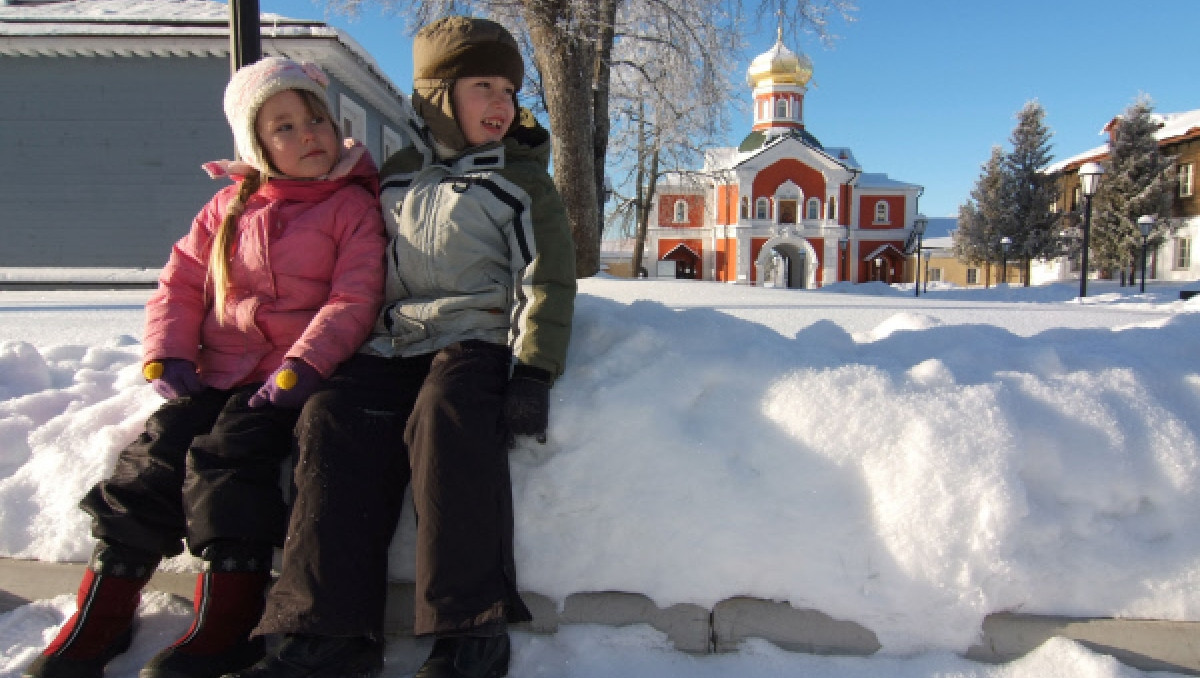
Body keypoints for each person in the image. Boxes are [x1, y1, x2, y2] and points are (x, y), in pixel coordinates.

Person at [229, 16, 577, 678]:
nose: (502, 105)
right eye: (483, 87)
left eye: (509, 89)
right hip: (391, 343)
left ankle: (470, 632)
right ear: (438, 93)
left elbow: (547, 279)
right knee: (333, 418)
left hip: (472, 340)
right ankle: (329, 635)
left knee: (447, 419)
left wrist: (533, 371)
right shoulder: (392, 172)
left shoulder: (524, 181)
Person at [22, 57, 387, 678]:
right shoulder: (227, 205)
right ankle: (102, 614)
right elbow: (181, 284)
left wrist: (303, 365)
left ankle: (228, 619)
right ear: (255, 144)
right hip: (216, 372)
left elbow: (353, 297)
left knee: (231, 460)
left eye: (316, 119)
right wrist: (166, 352)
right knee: (154, 456)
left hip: (285, 382)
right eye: (285, 127)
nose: (310, 135)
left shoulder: (350, 207)